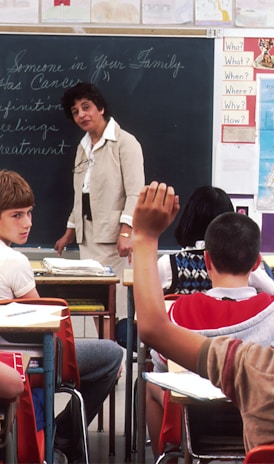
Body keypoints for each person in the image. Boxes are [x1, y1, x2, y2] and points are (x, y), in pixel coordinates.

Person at [132, 181, 274, 454]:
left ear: (207, 260)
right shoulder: (266, 316)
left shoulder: (181, 312)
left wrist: (145, 237)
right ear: (256, 263)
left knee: (150, 383)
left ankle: (166, 457)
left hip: (189, 425)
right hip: (246, 430)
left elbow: (157, 345)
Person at [0, 169, 123, 463]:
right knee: (113, 354)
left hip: (6, 361)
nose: (27, 223)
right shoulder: (14, 262)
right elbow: (44, 328)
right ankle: (64, 434)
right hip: (28, 360)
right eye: (17, 215)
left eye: (29, 213)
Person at [54, 82, 145, 318]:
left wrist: (126, 232)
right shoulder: (83, 147)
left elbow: (136, 192)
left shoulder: (126, 143)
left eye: (86, 107)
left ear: (101, 108)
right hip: (89, 240)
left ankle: (122, 355)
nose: (81, 115)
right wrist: (69, 231)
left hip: (116, 241)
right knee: (98, 308)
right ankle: (107, 354)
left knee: (119, 309)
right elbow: (81, 193)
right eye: (75, 112)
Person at [158, 185, 274, 295]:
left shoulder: (169, 264)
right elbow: (271, 290)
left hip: (179, 315)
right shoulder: (241, 263)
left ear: (188, 219)